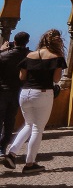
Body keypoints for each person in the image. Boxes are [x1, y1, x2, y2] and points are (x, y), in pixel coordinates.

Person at [1, 29, 65, 173]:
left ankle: (11, 154)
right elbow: (56, 79)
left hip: (25, 93)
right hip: (42, 94)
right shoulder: (57, 57)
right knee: (37, 128)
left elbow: (22, 77)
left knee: (29, 124)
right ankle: (30, 164)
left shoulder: (30, 55)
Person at [0, 31, 30, 159]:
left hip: (2, 91)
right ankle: (2, 147)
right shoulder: (29, 56)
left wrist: (1, 50)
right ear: (26, 42)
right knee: (9, 121)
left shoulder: (4, 55)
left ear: (14, 41)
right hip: (18, 92)